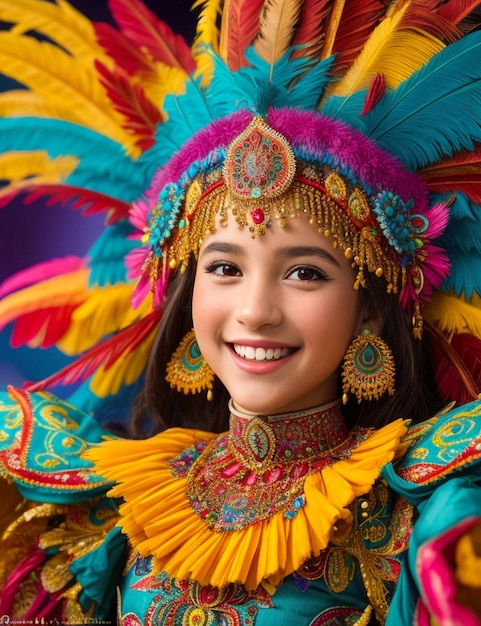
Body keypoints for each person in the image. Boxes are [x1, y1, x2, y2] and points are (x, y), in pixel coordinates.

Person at [1, 1, 481, 624]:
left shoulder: (412, 515)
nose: (254, 312)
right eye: (225, 268)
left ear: (368, 310)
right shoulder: (120, 508)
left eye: (305, 273)